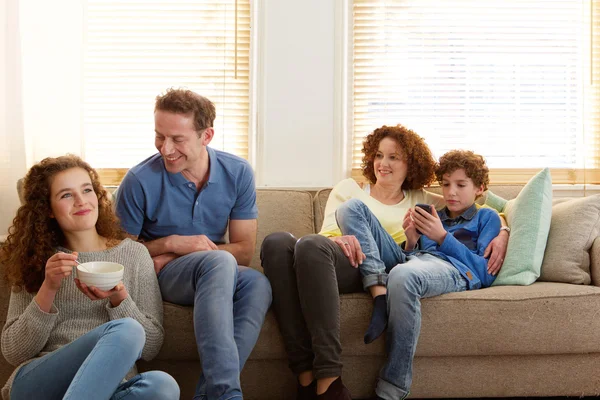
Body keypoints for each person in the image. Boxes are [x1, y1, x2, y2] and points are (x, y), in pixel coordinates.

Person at [260, 125, 509, 400]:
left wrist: (505, 230)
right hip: (335, 255)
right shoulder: (351, 189)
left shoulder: (424, 201)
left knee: (315, 246)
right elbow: (326, 237)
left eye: (394, 157)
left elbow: (485, 208)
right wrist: (349, 239)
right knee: (280, 242)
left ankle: (331, 379)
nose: (383, 164)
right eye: (379, 155)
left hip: (391, 263)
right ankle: (307, 377)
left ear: (409, 165)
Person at [115, 88, 272, 400]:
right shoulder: (138, 180)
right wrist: (171, 243)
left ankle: (206, 394)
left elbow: (244, 251)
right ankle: (226, 394)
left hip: (212, 268)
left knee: (257, 284)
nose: (165, 148)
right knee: (220, 261)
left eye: (177, 139)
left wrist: (178, 251)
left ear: (206, 136)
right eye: (160, 136)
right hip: (162, 276)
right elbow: (119, 256)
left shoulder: (237, 172)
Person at [0, 155, 179, 400]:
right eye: (66, 195)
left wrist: (120, 299)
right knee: (127, 330)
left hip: (109, 387)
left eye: (87, 190)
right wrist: (49, 287)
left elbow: (151, 346)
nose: (81, 201)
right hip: (39, 384)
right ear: (48, 209)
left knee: (163, 385)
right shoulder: (36, 259)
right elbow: (13, 351)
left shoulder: (135, 255)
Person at [337, 149, 501, 400]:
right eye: (445, 184)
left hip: (454, 269)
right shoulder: (435, 214)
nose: (451, 192)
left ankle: (393, 388)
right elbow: (416, 257)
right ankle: (378, 290)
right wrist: (411, 241)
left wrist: (442, 237)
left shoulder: (486, 217)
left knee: (403, 275)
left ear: (479, 188)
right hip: (414, 259)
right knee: (350, 208)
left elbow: (482, 273)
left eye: (460, 185)